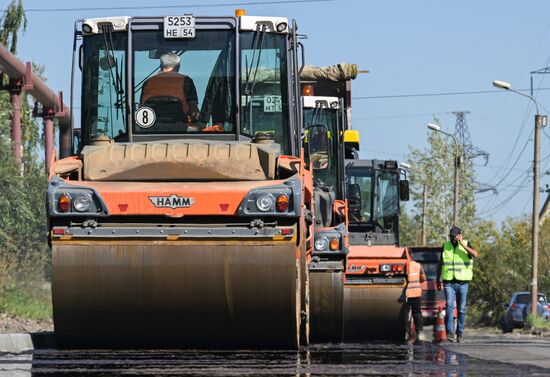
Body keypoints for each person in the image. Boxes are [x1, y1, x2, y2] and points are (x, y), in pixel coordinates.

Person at [437, 226, 478, 343]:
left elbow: (475, 254)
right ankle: (450, 332)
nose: (452, 239)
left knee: (461, 309)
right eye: (451, 236)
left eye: (454, 236)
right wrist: (438, 279)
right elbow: (441, 263)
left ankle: (459, 333)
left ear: (460, 235)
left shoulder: (466, 243)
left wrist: (462, 245)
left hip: (463, 282)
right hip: (448, 281)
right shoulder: (446, 245)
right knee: (449, 305)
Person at [140, 52, 200, 127]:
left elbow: (142, 110)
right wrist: (200, 122)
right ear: (178, 66)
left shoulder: (148, 83)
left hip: (151, 129)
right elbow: (193, 112)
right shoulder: (187, 81)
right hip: (179, 129)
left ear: (161, 66)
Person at [406, 259, 427, 342]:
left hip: (404, 294)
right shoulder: (418, 265)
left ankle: (406, 333)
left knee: (405, 315)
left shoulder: (403, 264)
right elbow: (423, 278)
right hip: (415, 293)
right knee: (417, 313)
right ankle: (420, 334)